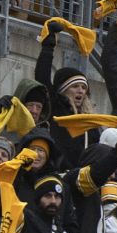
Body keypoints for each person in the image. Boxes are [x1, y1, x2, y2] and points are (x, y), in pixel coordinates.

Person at [36, 20, 97, 169]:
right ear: (63, 89)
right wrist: (48, 45)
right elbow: (42, 77)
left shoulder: (91, 123)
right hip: (56, 171)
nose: (81, 91)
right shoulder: (55, 107)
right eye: (75, 86)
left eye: (84, 87)